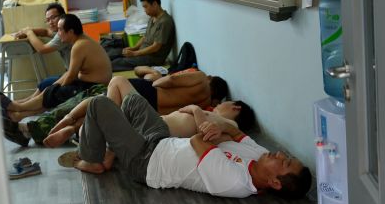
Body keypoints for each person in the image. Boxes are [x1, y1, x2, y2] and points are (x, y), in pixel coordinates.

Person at [71, 92, 311, 200]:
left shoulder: (235, 181)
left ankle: (92, 159)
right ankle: (111, 152)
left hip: (148, 164)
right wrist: (222, 130)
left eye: (285, 162)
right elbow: (236, 132)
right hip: (163, 143)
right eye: (286, 156)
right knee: (133, 101)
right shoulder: (260, 155)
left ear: (275, 182)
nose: (280, 154)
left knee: (99, 104)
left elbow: (198, 139)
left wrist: (211, 129)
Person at [44, 75, 254, 148]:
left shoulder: (230, 124)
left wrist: (196, 110)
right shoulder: (212, 110)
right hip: (156, 117)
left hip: (154, 113)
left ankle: (69, 124)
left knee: (111, 88)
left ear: (235, 107)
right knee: (100, 102)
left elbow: (166, 81)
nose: (218, 106)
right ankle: (73, 128)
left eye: (223, 103)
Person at [1, 14, 112, 122]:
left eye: (60, 30)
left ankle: (18, 107)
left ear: (70, 32)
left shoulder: (79, 46)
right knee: (51, 89)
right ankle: (19, 114)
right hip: (87, 82)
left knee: (53, 93)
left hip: (95, 88)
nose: (58, 34)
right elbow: (70, 74)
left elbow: (71, 75)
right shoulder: (81, 40)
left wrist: (55, 88)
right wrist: (55, 86)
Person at [12, 3, 71, 101]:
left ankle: (24, 104)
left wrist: (29, 33)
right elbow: (45, 32)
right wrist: (28, 30)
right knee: (45, 83)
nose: (50, 22)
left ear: (62, 16)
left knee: (48, 87)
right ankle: (25, 101)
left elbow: (42, 49)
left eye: (53, 18)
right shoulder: (60, 31)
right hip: (69, 72)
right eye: (48, 20)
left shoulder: (63, 34)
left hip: (74, 75)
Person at [109, 0, 175, 71]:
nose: (144, 10)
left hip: (153, 58)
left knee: (116, 63)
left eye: (145, 7)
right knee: (113, 53)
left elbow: (155, 47)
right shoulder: (152, 18)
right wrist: (133, 48)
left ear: (154, 4)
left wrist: (134, 53)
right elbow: (144, 37)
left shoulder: (165, 22)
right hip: (142, 53)